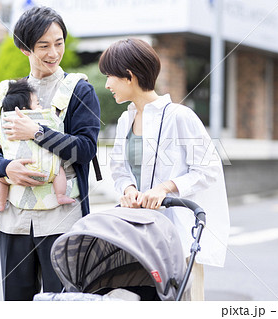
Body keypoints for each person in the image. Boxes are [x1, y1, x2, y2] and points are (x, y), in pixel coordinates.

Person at [0, 6, 100, 301]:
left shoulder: (79, 90)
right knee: (16, 301)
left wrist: (37, 132)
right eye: (43, 45)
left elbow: (85, 149)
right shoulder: (8, 91)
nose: (53, 53)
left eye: (59, 43)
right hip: (14, 220)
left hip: (62, 218)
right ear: (24, 48)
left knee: (62, 303)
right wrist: (6, 168)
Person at [99, 38, 230, 300]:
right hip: (139, 236)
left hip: (176, 237)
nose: (106, 84)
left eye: (109, 76)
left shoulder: (179, 116)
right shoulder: (125, 120)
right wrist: (127, 188)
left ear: (129, 76)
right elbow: (119, 168)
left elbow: (208, 169)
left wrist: (166, 188)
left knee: (181, 302)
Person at [0, 79, 74, 212]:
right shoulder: (44, 122)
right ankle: (60, 195)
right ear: (24, 110)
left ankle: (0, 203)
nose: (40, 107)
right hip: (46, 170)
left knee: (1, 179)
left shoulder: (6, 126)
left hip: (14, 172)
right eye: (37, 103)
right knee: (59, 171)